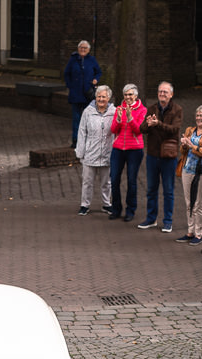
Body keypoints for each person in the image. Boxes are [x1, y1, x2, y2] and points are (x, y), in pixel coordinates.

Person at [138, 82, 182, 233]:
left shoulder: (177, 110)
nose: (162, 94)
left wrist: (158, 124)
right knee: (151, 189)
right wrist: (149, 124)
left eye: (165, 92)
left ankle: (168, 221)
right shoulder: (151, 108)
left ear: (171, 94)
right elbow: (141, 129)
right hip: (152, 154)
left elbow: (174, 130)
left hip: (168, 156)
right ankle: (151, 219)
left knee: (168, 190)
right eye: (160, 92)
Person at [176, 105, 202, 245]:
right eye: (197, 115)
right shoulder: (190, 130)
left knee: (199, 203)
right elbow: (183, 151)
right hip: (187, 169)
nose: (199, 118)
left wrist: (192, 146)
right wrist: (184, 145)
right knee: (189, 202)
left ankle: (198, 234)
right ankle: (190, 231)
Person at [107, 84, 146, 223]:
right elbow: (113, 129)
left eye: (130, 95)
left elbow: (138, 130)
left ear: (135, 96)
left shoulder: (142, 110)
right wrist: (118, 119)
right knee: (114, 179)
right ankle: (116, 209)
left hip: (134, 150)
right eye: (126, 95)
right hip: (118, 149)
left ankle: (130, 210)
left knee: (131, 180)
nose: (128, 97)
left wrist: (130, 117)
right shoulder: (119, 109)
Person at [75, 85, 114, 216]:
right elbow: (81, 132)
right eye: (99, 96)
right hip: (90, 152)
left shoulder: (114, 112)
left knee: (106, 182)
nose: (101, 99)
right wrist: (80, 152)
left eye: (104, 97)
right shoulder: (88, 112)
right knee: (87, 181)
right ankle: (84, 205)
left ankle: (107, 204)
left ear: (108, 98)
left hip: (107, 152)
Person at [62, 40, 101, 147]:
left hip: (88, 94)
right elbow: (67, 73)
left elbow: (98, 72)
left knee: (89, 118)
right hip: (76, 94)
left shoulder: (92, 60)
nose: (83, 50)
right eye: (81, 48)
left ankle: (89, 140)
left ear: (88, 50)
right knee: (76, 118)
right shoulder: (73, 59)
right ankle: (76, 140)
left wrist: (95, 80)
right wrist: (70, 85)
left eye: (85, 48)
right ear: (78, 49)